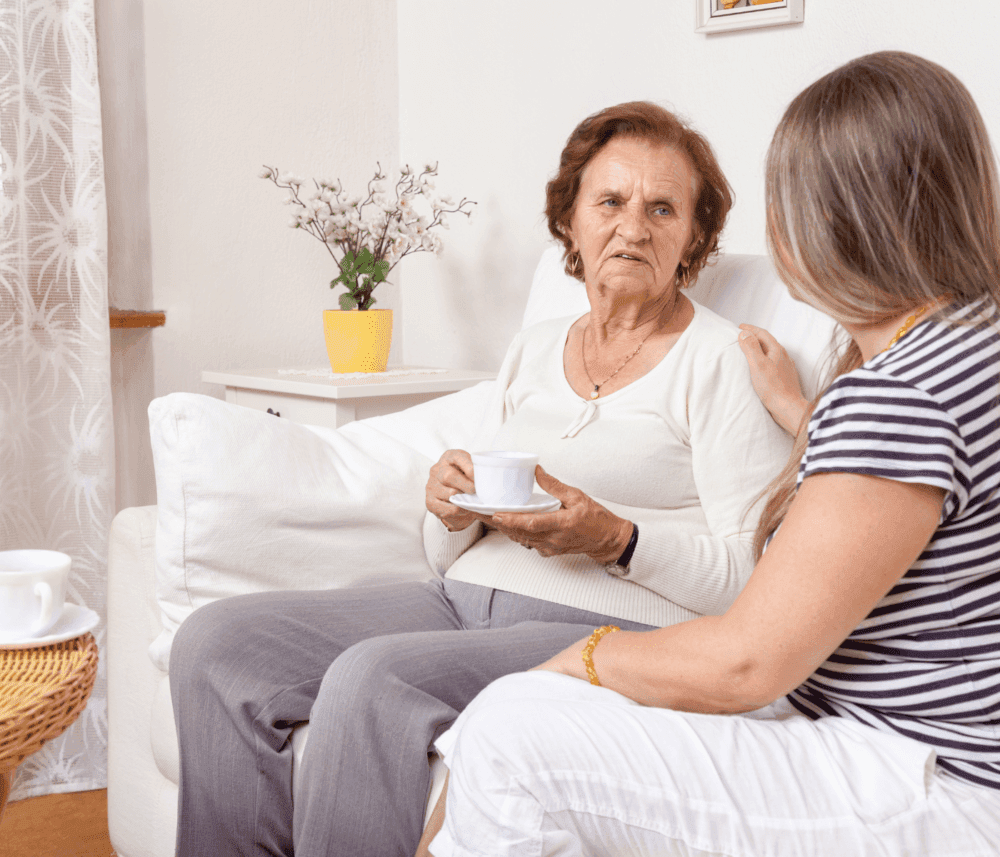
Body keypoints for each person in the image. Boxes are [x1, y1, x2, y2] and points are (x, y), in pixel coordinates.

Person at [168, 101, 791, 857]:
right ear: (570, 221)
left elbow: (752, 582)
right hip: (459, 600)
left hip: (603, 630)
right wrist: (449, 507)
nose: (634, 226)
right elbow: (451, 543)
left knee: (373, 678)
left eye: (663, 208)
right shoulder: (534, 348)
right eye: (611, 201)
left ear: (695, 236)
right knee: (218, 644)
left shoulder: (723, 359)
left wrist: (616, 539)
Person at [421, 51, 1000, 857]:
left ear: (838, 218)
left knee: (508, 736)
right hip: (919, 750)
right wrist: (806, 412)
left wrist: (585, 655)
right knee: (505, 717)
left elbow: (747, 662)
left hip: (917, 774)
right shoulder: (966, 347)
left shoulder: (899, 394)